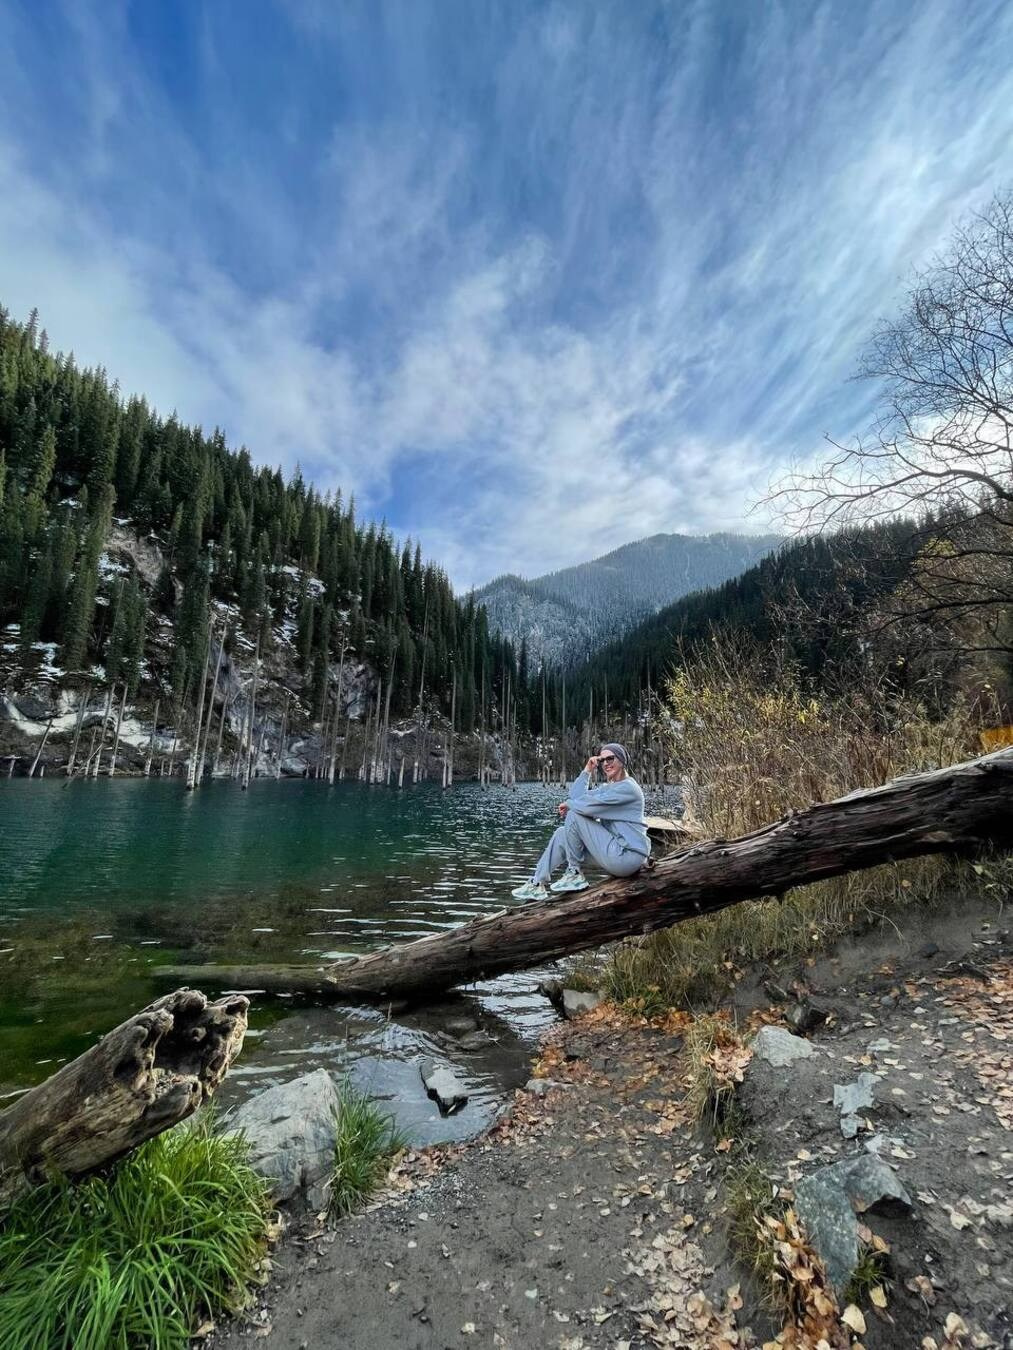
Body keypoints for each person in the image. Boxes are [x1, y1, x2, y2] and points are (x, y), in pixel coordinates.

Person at [512, 742, 650, 901]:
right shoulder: (610, 787)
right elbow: (576, 797)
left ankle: (574, 872)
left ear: (622, 760)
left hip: (627, 856)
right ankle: (537, 883)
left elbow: (582, 806)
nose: (606, 763)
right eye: (602, 760)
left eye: (610, 759)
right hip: (615, 852)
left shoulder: (628, 789)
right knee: (562, 834)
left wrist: (570, 805)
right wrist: (587, 770)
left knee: (574, 814)